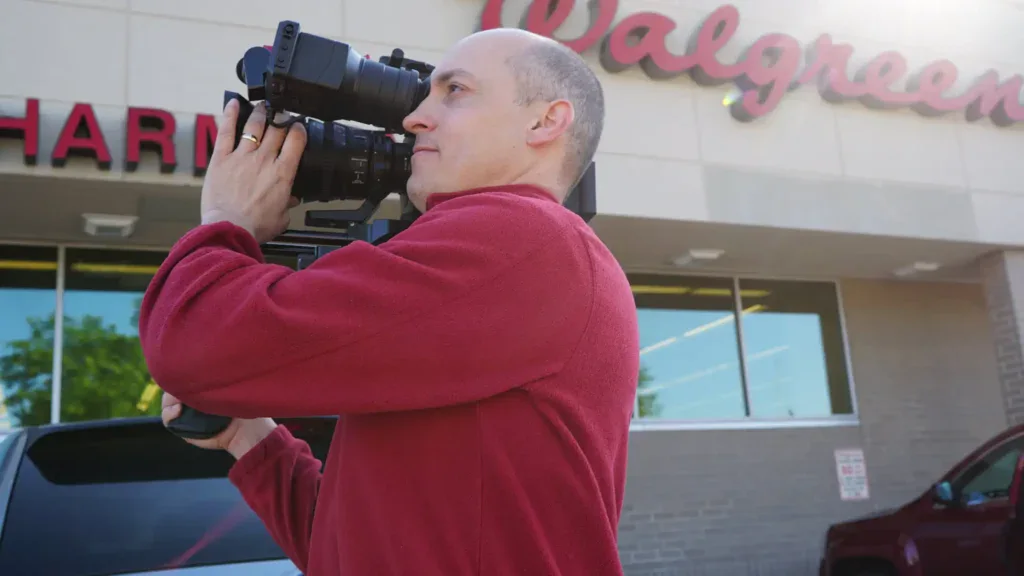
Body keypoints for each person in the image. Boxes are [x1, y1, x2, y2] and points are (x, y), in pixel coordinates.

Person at [142, 27, 639, 576]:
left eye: (455, 92)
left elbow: (191, 345)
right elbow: (347, 548)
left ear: (545, 121)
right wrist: (250, 438)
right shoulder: (520, 258)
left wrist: (227, 223)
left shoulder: (522, 239)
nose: (413, 119)